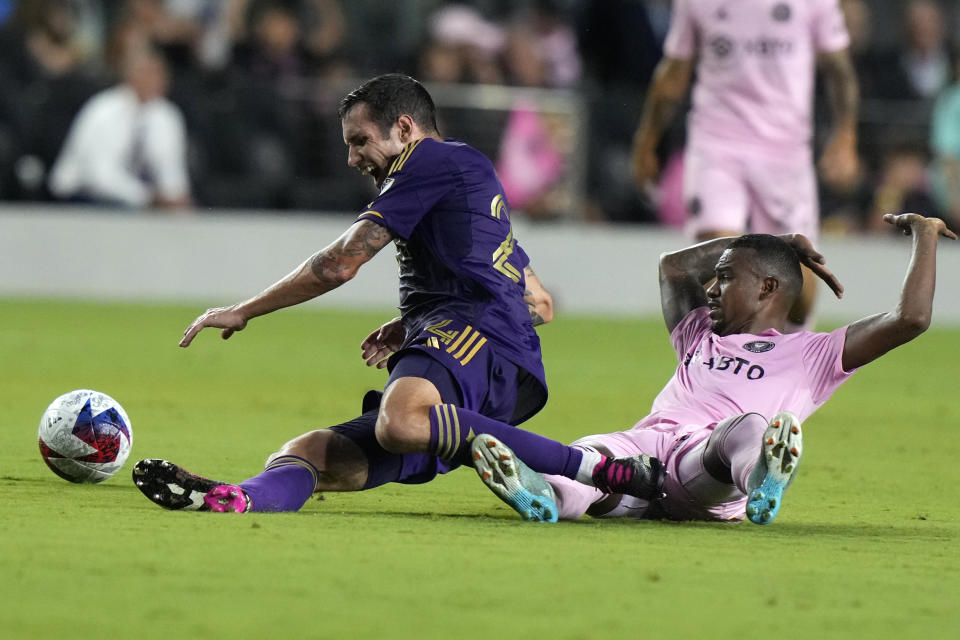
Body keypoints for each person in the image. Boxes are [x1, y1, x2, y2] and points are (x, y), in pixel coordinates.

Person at [133, 73, 664, 516]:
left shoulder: (428, 162)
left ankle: (597, 468)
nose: (351, 158)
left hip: (471, 336)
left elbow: (339, 264)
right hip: (489, 354)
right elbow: (540, 303)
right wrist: (415, 324)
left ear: (404, 128)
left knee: (401, 421)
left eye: (359, 141)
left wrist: (245, 310)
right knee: (312, 454)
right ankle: (237, 498)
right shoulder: (467, 181)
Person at [472, 213, 955, 525]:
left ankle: (764, 477)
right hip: (645, 455)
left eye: (724, 278)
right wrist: (774, 240)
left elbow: (909, 318)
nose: (710, 289)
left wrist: (926, 235)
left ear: (767, 288)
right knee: (592, 453)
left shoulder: (816, 354)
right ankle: (542, 495)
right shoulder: (699, 332)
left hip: (706, 466)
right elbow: (673, 266)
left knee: (746, 429)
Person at [632, 0, 860, 331]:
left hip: (785, 153)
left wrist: (845, 137)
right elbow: (675, 70)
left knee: (799, 295)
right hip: (716, 144)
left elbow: (839, 68)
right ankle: (717, 369)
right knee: (720, 265)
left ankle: (787, 367)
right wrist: (646, 142)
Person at [47, 46, 192, 209]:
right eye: (148, 73)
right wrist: (147, 198)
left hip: (134, 200)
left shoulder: (166, 115)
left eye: (159, 74)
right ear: (131, 75)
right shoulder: (104, 110)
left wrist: (175, 197)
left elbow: (170, 168)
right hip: (81, 196)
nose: (155, 80)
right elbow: (100, 175)